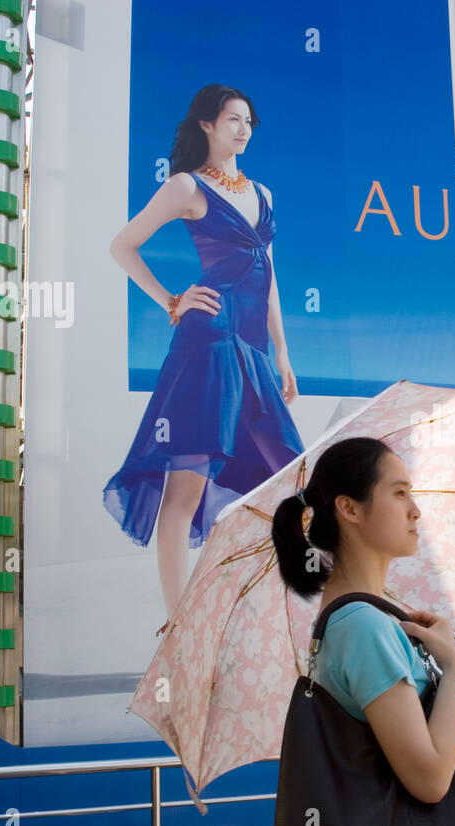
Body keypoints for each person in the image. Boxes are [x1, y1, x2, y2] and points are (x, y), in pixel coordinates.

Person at [103, 84, 305, 622]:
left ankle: (238, 610)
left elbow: (270, 276)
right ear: (207, 127)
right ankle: (179, 623)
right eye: (233, 119)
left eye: (249, 121)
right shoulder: (184, 187)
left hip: (254, 352)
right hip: (208, 343)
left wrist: (282, 353)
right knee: (185, 487)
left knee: (281, 483)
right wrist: (172, 299)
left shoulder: (263, 194)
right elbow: (122, 245)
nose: (243, 129)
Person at [270, 436, 455, 813]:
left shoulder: (358, 617)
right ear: (349, 509)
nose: (415, 510)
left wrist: (451, 710)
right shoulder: (364, 626)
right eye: (400, 493)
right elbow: (431, 780)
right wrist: (452, 669)